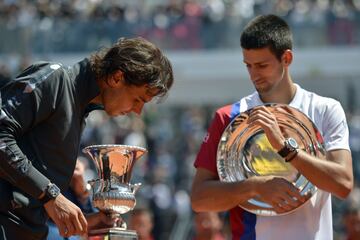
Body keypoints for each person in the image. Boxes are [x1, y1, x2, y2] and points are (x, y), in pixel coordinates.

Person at [191, 14, 353, 240]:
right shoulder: (229, 116)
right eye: (248, 65)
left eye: (262, 65)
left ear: (286, 58)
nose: (254, 74)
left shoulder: (325, 109)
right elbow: (199, 199)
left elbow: (343, 184)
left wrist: (287, 149)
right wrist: (256, 186)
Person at [0, 37, 174, 240]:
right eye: (138, 99)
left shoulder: (79, 109)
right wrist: (50, 194)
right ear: (117, 78)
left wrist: (82, 221)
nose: (137, 110)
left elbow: (29, 200)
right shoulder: (55, 79)